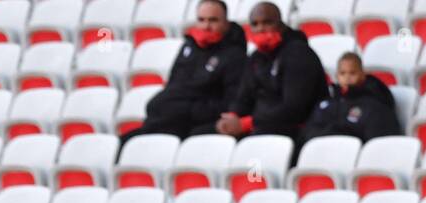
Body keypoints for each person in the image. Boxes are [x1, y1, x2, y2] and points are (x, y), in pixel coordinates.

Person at [118, 0, 247, 147]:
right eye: (201, 20)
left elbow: (230, 103)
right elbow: (172, 85)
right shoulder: (189, 46)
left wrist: (186, 110)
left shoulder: (235, 56)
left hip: (195, 124)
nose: (206, 26)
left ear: (226, 23)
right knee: (119, 144)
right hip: (170, 119)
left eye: (213, 20)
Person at [217, 2, 327, 141]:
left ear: (280, 24)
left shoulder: (299, 54)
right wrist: (233, 116)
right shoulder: (256, 58)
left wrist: (247, 123)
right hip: (261, 125)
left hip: (294, 129)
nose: (261, 28)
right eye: (255, 24)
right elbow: (243, 97)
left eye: (267, 22)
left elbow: (294, 108)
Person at [299, 51, 402, 146]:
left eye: (352, 73)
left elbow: (377, 144)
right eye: (342, 73)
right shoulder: (326, 104)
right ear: (337, 76)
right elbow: (309, 132)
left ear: (362, 75)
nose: (347, 77)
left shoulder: (375, 104)